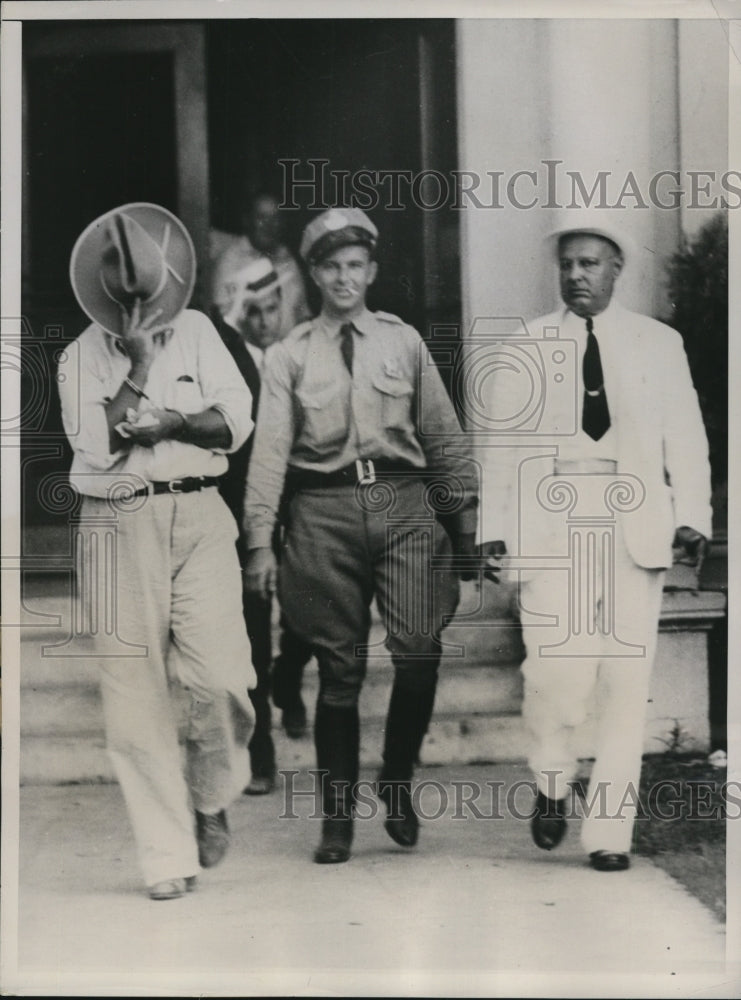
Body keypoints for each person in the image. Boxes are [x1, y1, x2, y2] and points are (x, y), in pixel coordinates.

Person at [243, 207, 478, 864]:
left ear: (370, 271)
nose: (343, 279)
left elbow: (442, 435)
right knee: (337, 669)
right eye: (330, 267)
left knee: (419, 648)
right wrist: (260, 542)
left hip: (403, 505)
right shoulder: (288, 356)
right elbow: (269, 453)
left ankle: (397, 780)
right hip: (322, 511)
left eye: (355, 266)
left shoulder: (401, 341)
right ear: (313, 274)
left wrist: (462, 531)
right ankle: (337, 820)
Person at [477, 215, 712, 872]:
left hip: (632, 521)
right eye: (567, 264)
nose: (575, 275)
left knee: (622, 678)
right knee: (556, 668)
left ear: (615, 270)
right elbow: (502, 448)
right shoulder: (526, 347)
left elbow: (686, 440)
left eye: (588, 264)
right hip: (552, 524)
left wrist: (691, 514)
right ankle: (551, 780)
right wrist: (492, 529)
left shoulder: (656, 344)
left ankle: (609, 833)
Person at [58, 203, 257, 900]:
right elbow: (95, 444)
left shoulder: (200, 331)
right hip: (116, 524)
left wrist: (177, 421)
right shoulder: (78, 356)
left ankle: (209, 797)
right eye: (133, 305)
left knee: (222, 679)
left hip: (199, 514)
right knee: (133, 695)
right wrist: (138, 371)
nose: (149, 315)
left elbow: (234, 420)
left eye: (156, 300)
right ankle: (166, 854)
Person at [212, 255, 314, 794]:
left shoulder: (301, 351)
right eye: (253, 312)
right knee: (253, 625)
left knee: (303, 611)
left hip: (300, 505)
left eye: (272, 308)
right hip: (244, 510)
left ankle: (292, 680)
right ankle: (262, 751)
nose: (265, 321)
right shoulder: (228, 357)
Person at [210, 191, 310, 337]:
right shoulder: (230, 260)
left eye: (275, 218)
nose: (269, 225)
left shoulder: (288, 259)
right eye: (261, 218)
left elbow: (303, 315)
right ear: (247, 220)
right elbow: (222, 321)